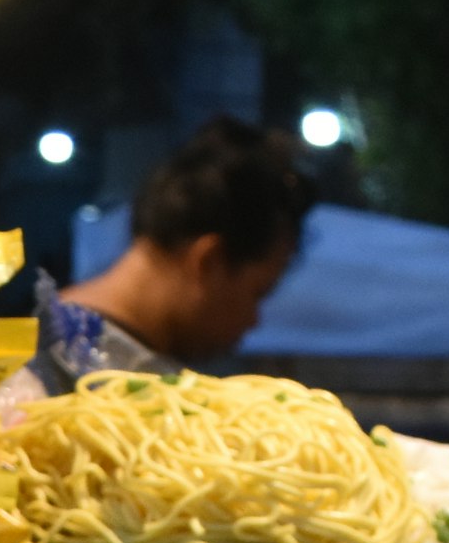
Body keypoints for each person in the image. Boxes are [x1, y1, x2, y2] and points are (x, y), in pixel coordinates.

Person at [27, 116, 317, 391]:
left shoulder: (33, 342)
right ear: (209, 260)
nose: (253, 320)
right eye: (257, 292)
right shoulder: (61, 374)